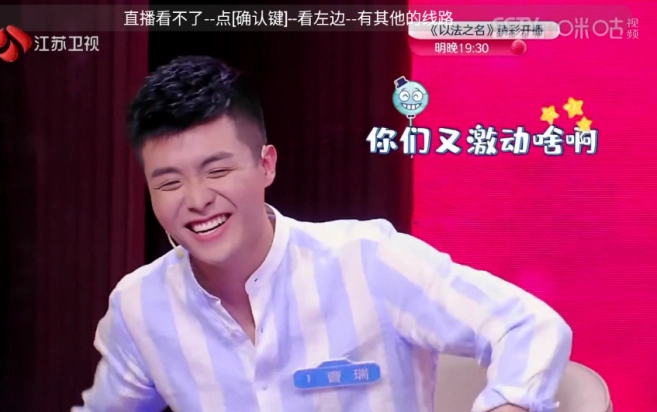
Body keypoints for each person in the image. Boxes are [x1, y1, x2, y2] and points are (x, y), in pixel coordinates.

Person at [74, 55, 572, 412]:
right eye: (169, 182)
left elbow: (527, 326)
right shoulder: (140, 306)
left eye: (217, 170)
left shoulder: (369, 261)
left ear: (266, 165)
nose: (197, 198)